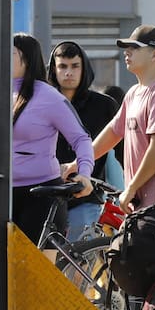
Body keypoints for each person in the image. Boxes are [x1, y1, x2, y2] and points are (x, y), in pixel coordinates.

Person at [91, 25, 155, 214]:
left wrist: (131, 188)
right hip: (141, 204)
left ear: (154, 55)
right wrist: (79, 163)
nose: (127, 52)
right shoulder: (134, 92)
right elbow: (113, 132)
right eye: (127, 48)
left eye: (135, 48)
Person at [11, 33, 93, 246]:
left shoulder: (49, 97)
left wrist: (84, 174)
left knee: (37, 273)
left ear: (27, 59)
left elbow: (81, 139)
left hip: (41, 195)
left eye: (10, 53)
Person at [46, 39, 118, 240]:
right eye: (62, 66)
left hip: (87, 196)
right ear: (53, 69)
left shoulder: (104, 105)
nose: (68, 72)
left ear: (84, 67)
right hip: (46, 193)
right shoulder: (42, 102)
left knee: (77, 262)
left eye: (75, 66)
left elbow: (122, 151)